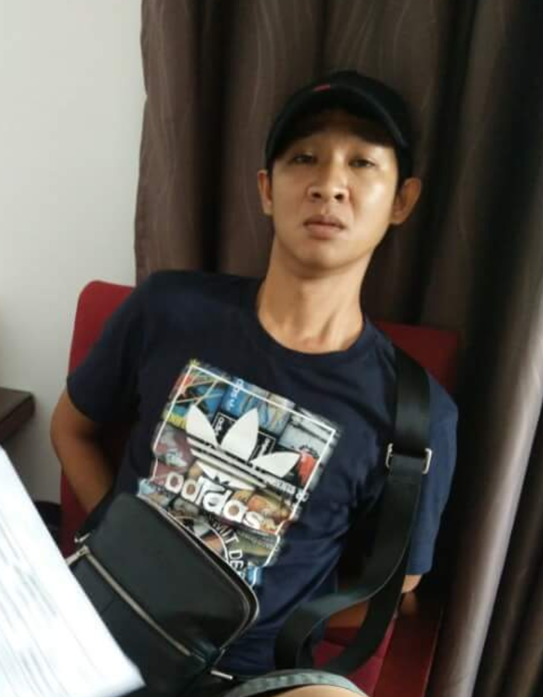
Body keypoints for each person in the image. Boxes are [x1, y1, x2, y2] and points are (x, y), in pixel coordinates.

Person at [51, 70, 457, 697]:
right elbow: (70, 427)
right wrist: (110, 533)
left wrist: (279, 625)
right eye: (304, 158)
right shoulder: (169, 308)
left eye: (361, 163)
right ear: (267, 190)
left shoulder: (417, 412)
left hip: (246, 676)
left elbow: (394, 586)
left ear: (402, 200)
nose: (329, 184)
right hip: (106, 623)